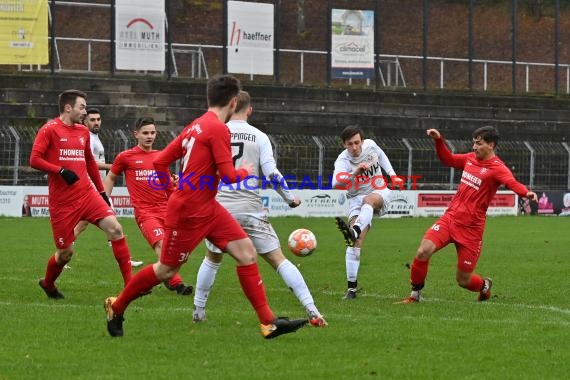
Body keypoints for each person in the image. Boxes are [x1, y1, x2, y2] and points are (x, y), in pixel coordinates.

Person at [103, 75, 307, 339]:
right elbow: (230, 176)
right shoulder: (218, 129)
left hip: (208, 207)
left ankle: (269, 323)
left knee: (246, 253)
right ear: (233, 102)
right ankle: (116, 307)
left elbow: (160, 162)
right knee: (166, 269)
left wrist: (173, 189)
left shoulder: (195, 125)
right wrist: (244, 172)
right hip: (189, 211)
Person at [193, 90, 327, 327]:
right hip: (250, 209)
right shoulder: (260, 137)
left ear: (230, 106)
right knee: (279, 260)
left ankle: (198, 311)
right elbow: (272, 174)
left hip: (220, 209)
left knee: (212, 258)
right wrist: (289, 198)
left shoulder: (214, 132)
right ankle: (312, 310)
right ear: (250, 110)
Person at [397, 126, 538, 303]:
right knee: (423, 251)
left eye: (478, 144)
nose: (474, 147)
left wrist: (526, 193)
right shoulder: (470, 159)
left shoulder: (498, 168)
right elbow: (447, 159)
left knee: (463, 280)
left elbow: (511, 183)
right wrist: (438, 140)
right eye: (474, 143)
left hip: (472, 230)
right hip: (451, 219)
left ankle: (484, 285)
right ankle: (414, 296)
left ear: (491, 145)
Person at [30, 89, 134, 299]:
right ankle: (48, 284)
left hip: (87, 194)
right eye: (82, 107)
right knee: (65, 253)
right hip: (62, 203)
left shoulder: (82, 132)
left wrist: (102, 192)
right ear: (68, 108)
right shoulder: (49, 129)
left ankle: (131, 286)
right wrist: (59, 170)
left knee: (115, 229)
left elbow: (90, 163)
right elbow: (34, 159)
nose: (84, 112)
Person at [103, 116, 193, 295]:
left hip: (167, 210)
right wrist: (105, 201)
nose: (149, 136)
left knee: (176, 250)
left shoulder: (162, 156)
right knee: (161, 245)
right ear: (136, 134)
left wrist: (175, 183)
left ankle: (164, 277)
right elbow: (112, 176)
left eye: (152, 132)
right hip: (145, 212)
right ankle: (177, 283)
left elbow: (166, 182)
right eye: (145, 133)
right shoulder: (126, 157)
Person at [332, 125, 402, 300]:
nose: (354, 147)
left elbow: (382, 156)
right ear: (344, 145)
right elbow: (335, 184)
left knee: (368, 201)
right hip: (355, 198)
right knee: (355, 243)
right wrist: (355, 172)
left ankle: (354, 230)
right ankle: (351, 289)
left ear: (362, 141)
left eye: (357, 143)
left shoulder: (371, 145)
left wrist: (392, 175)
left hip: (379, 192)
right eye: (350, 144)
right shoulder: (342, 161)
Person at [73, 108, 143, 267]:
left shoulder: (95, 137)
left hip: (99, 187)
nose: (96, 122)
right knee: (102, 223)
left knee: (103, 224)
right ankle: (63, 253)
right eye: (92, 120)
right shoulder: (88, 138)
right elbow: (88, 164)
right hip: (92, 187)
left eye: (98, 119)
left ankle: (63, 253)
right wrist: (113, 167)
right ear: (85, 121)